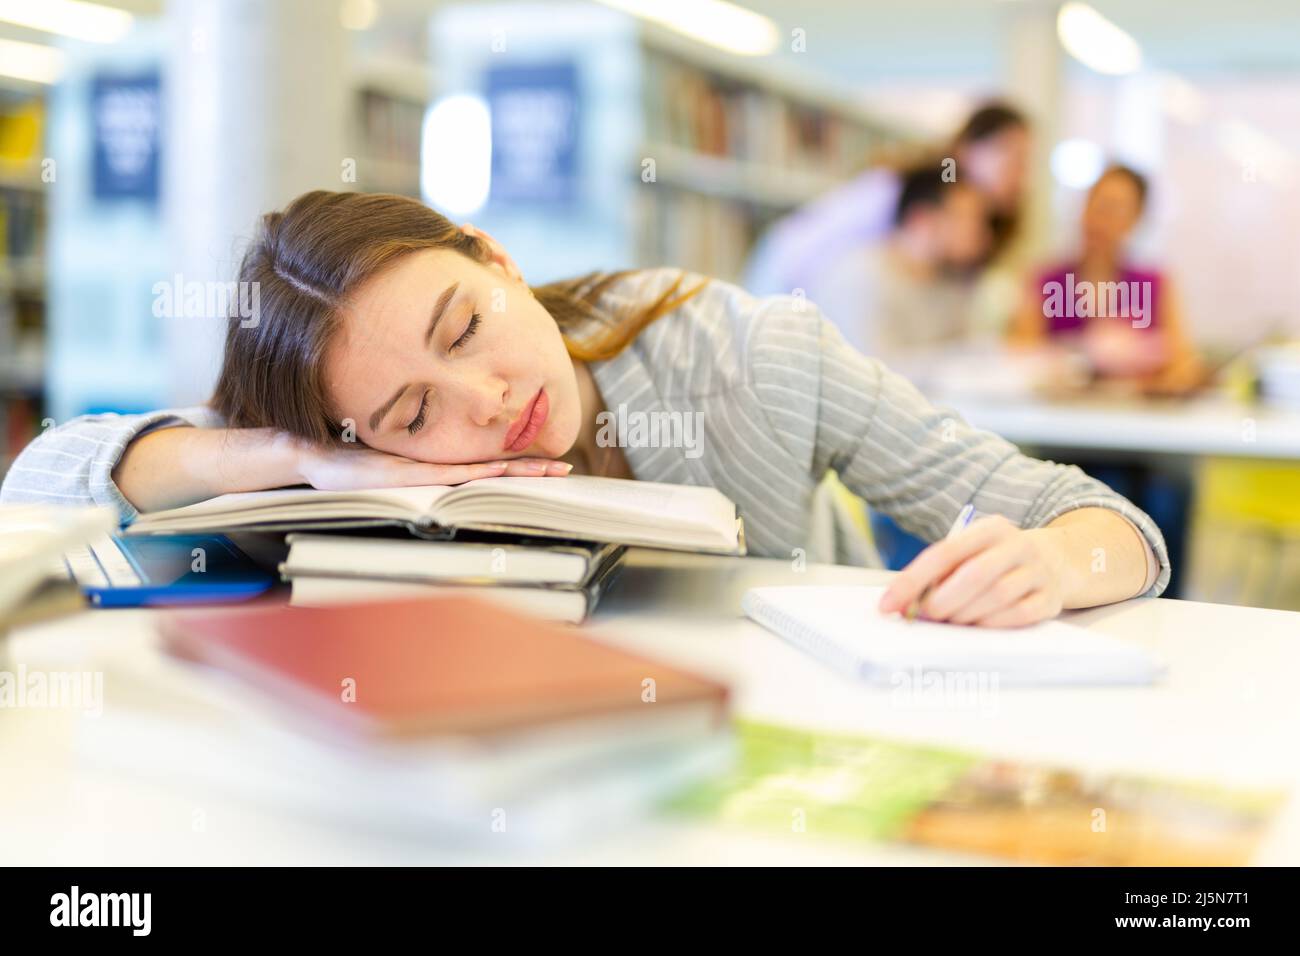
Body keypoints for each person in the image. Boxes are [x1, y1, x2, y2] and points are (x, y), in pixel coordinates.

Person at [2, 191, 1169, 627]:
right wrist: (294, 457)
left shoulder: (747, 351)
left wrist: (1056, 566)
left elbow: (1106, 524)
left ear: (497, 258)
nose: (487, 401)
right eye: (412, 409)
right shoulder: (342, 450)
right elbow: (39, 481)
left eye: (466, 326)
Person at [743, 101, 1030, 301]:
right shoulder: (891, 190)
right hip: (783, 293)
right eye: (1010, 156)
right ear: (966, 148)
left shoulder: (982, 226)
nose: (1019, 174)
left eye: (1026, 161)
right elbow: (800, 252)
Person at [1009, 163, 1202, 394]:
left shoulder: (1155, 285)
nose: (1100, 219)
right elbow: (1021, 358)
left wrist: (1146, 371)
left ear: (1136, 219)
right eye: (1095, 203)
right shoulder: (1045, 281)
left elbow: (1184, 367)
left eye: (1115, 209)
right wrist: (1083, 358)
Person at [813, 161, 992, 364]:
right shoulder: (862, 279)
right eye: (970, 219)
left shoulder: (949, 280)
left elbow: (964, 356)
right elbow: (874, 378)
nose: (982, 233)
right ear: (922, 219)